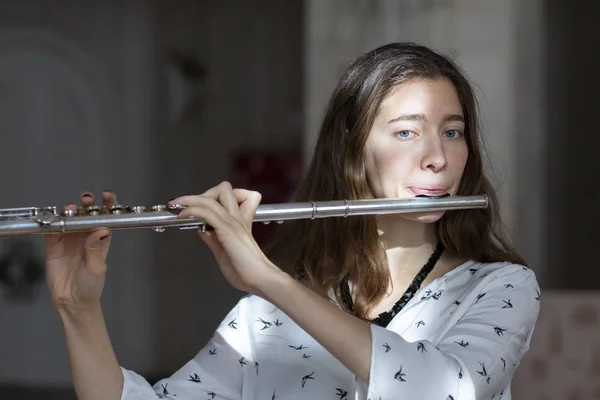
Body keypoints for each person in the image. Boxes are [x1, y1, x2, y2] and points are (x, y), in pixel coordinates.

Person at [45, 42, 540, 400]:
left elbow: (447, 391)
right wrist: (77, 308)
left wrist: (270, 280)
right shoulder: (265, 319)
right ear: (353, 155)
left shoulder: (501, 288)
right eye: (407, 132)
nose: (437, 156)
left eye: (452, 132)